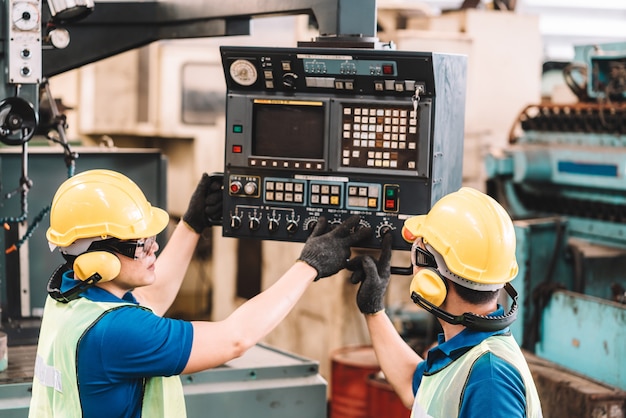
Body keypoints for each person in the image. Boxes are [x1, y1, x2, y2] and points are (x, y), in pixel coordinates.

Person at [29, 168, 372, 418]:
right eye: (139, 244)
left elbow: (150, 302)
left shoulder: (70, 296)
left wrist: (193, 225)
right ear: (99, 256)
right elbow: (234, 339)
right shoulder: (115, 332)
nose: (153, 248)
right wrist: (309, 265)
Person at [347, 187, 543, 418]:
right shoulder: (465, 352)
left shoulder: (489, 379)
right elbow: (414, 386)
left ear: (432, 278)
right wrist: (374, 310)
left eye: (417, 256)